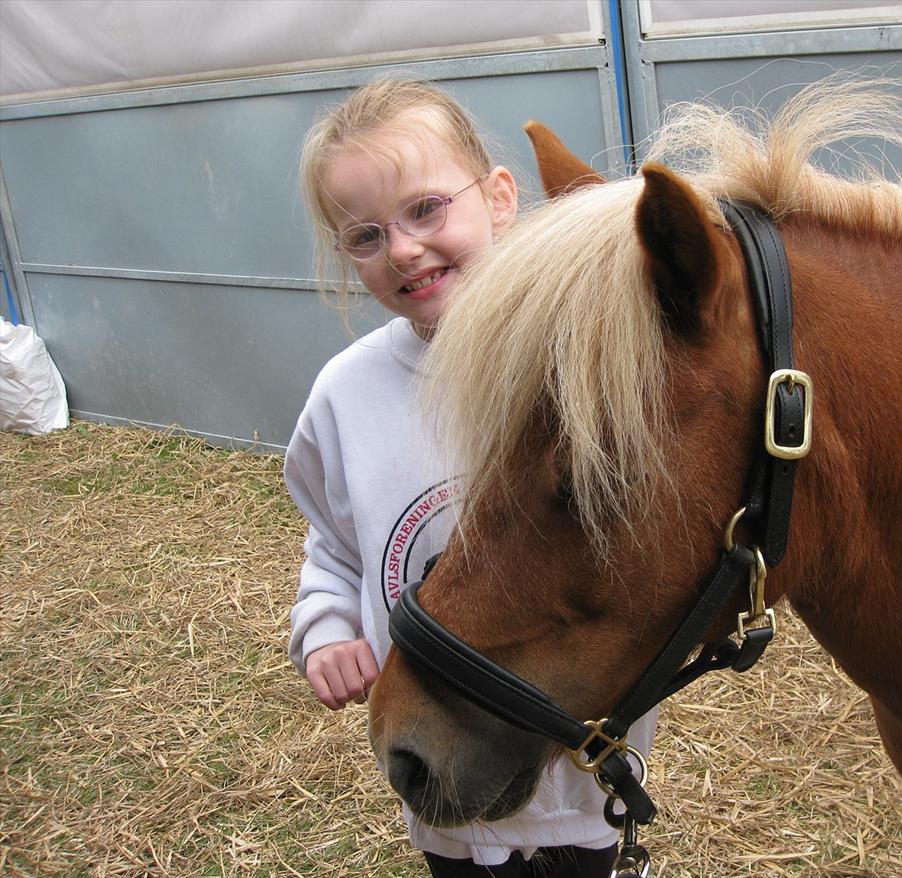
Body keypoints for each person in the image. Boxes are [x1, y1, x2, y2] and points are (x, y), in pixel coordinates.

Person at [285, 77, 656, 878]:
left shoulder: (579, 357)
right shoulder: (344, 400)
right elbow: (335, 548)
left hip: (586, 774)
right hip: (444, 771)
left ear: (497, 197)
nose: (404, 249)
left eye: (425, 209)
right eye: (366, 235)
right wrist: (324, 628)